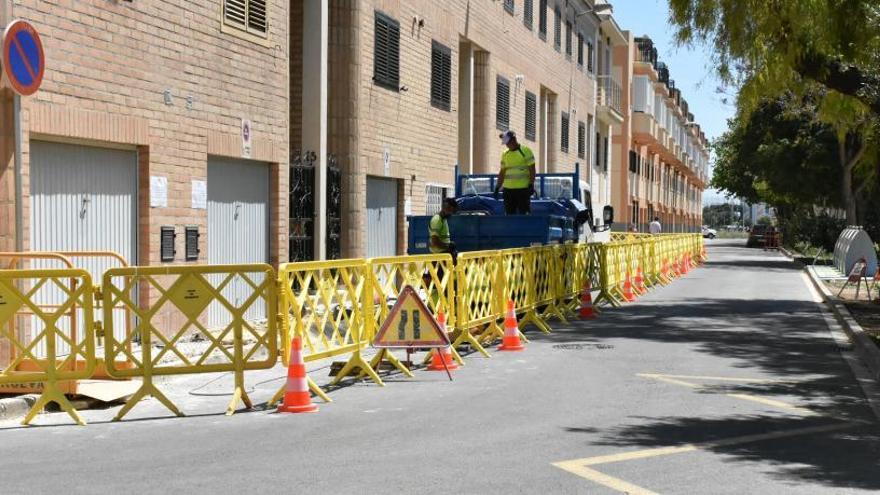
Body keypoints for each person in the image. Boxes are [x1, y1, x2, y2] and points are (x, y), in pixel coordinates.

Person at [494, 130, 536, 215]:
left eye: (508, 142)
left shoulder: (526, 151)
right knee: (509, 215)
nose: (507, 145)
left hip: (523, 190)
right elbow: (502, 172)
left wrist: (531, 184)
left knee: (524, 215)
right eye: (506, 143)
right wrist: (497, 187)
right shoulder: (505, 154)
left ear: (514, 139)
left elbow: (532, 169)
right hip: (508, 191)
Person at [427, 198, 458, 286]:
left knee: (448, 284)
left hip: (444, 257)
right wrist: (448, 247)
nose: (452, 214)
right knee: (442, 285)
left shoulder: (443, 220)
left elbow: (443, 238)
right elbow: (435, 242)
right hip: (439, 259)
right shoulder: (437, 220)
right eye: (451, 211)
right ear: (446, 208)